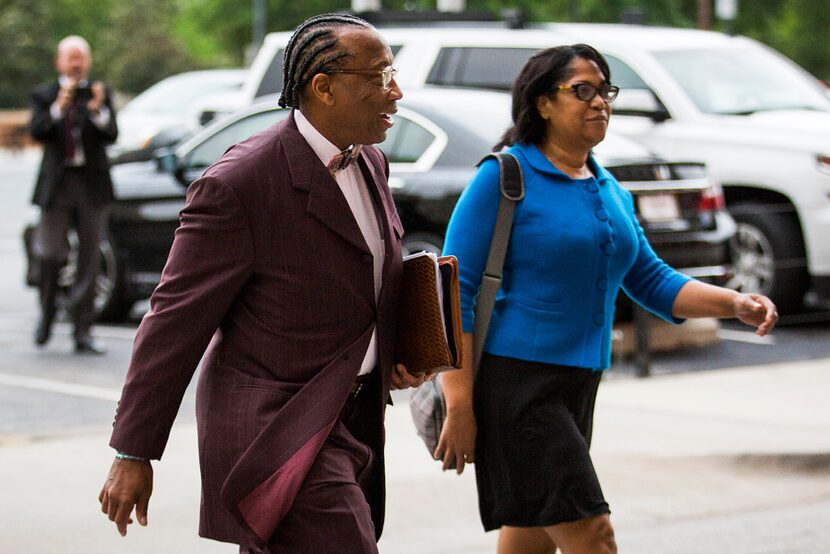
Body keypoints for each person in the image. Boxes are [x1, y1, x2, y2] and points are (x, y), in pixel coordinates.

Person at [98, 13, 424, 553]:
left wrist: (392, 352)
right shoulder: (239, 183)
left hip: (352, 418)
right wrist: (134, 451)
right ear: (323, 86)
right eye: (379, 76)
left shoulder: (371, 163)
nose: (397, 91)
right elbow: (173, 323)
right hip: (276, 425)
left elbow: (359, 285)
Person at [438, 44, 778, 554]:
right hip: (517, 386)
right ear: (543, 103)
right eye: (582, 91)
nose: (600, 102)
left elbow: (651, 278)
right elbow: (453, 290)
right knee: (593, 535)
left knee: (532, 536)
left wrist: (733, 303)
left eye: (605, 91)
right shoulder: (504, 177)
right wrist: (458, 401)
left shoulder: (608, 186)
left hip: (579, 381)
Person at [29, 35, 118, 354]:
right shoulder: (45, 94)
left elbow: (111, 134)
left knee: (89, 259)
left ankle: (83, 330)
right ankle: (49, 308)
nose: (77, 63)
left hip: (91, 185)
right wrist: (58, 108)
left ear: (88, 62)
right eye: (71, 58)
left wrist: (97, 111)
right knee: (49, 253)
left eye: (81, 58)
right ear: (60, 62)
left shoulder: (99, 92)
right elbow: (37, 131)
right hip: (57, 185)